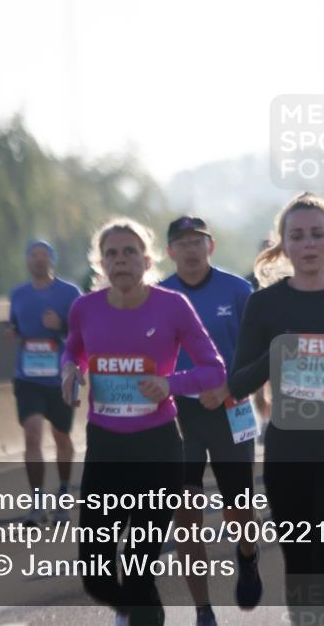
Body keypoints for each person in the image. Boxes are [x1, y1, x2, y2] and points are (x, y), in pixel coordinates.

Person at [60, 218, 226, 625]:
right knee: (95, 572)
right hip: (105, 446)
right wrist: (68, 372)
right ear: (101, 264)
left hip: (158, 446)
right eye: (112, 253)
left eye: (129, 251)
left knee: (138, 563)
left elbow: (214, 370)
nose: (121, 260)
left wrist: (169, 383)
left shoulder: (173, 306)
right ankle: (137, 612)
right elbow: (73, 353)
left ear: (146, 259)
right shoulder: (84, 308)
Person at [228, 193, 324, 623]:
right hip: (288, 451)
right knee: (300, 565)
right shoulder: (265, 304)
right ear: (284, 245)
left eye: (318, 234)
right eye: (297, 236)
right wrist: (279, 352)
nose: (309, 243)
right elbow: (238, 382)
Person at [159, 216, 262, 624]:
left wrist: (233, 388)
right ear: (170, 251)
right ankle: (202, 608)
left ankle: (248, 555)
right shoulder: (159, 296)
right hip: (180, 414)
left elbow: (257, 355)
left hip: (231, 407)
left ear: (210, 246)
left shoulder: (238, 290)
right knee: (186, 512)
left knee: (239, 509)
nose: (190, 249)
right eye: (181, 242)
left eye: (197, 241)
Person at [7, 240, 81, 526]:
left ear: (52, 260)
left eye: (44, 256)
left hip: (60, 376)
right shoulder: (18, 294)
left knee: (61, 436)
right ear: (28, 261)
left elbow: (83, 331)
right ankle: (37, 504)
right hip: (27, 377)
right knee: (32, 435)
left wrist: (61, 325)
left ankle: (63, 493)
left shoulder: (70, 293)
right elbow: (15, 323)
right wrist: (11, 331)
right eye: (34, 256)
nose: (39, 260)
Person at [244, 238, 273, 441]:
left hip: (282, 339)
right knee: (259, 389)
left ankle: (274, 422)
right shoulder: (248, 281)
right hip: (259, 340)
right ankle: (265, 421)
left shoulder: (289, 277)